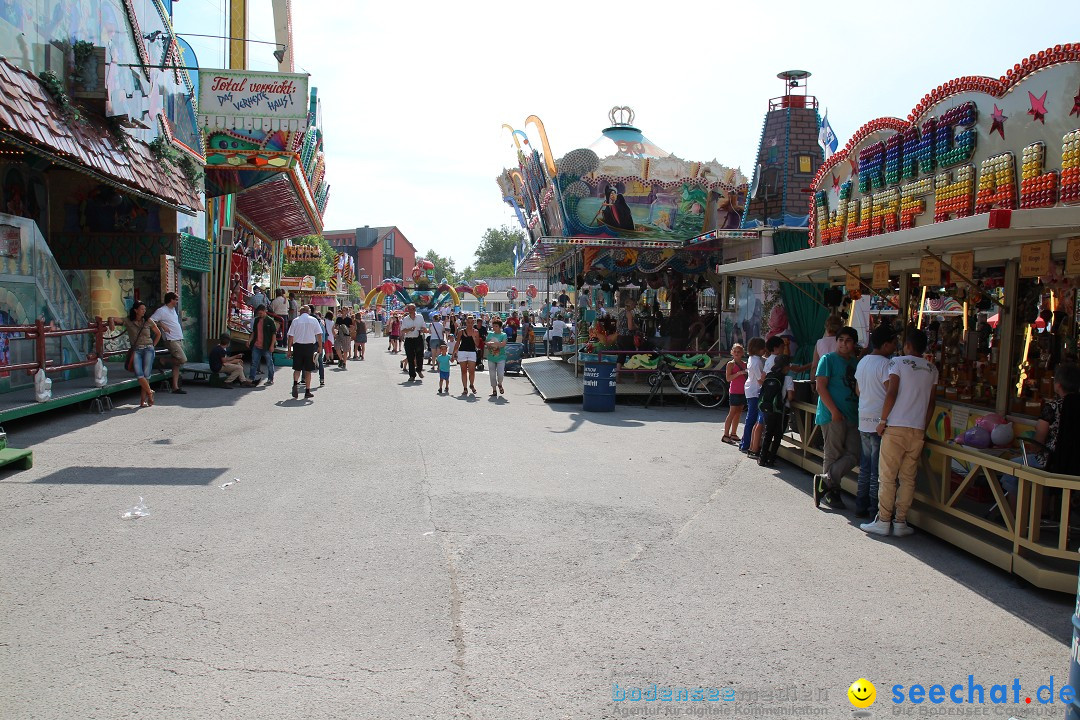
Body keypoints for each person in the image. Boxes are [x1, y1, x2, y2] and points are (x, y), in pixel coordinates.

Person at [861, 329, 939, 537]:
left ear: (908, 345)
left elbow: (892, 392)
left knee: (887, 476)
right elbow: (931, 403)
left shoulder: (897, 363)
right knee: (908, 478)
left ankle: (884, 520)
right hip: (917, 429)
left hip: (895, 426)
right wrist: (923, 425)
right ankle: (901, 521)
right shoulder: (932, 369)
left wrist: (883, 420)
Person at [813, 326, 861, 511]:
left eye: (848, 341)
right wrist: (833, 410)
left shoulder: (856, 363)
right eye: (840, 340)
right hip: (832, 414)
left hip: (852, 413)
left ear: (853, 344)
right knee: (832, 454)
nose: (843, 344)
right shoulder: (828, 359)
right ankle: (832, 494)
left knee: (854, 454)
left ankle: (825, 480)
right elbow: (820, 386)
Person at [853, 324, 898, 518]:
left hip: (863, 418)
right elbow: (891, 392)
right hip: (880, 421)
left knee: (865, 467)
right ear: (886, 344)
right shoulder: (886, 365)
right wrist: (884, 417)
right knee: (876, 471)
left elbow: (858, 390)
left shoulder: (862, 362)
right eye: (894, 343)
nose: (896, 346)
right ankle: (874, 510)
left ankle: (860, 506)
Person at [107, 300, 160, 408]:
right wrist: (111, 321)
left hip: (148, 348)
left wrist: (153, 346)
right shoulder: (128, 320)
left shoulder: (148, 320)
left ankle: (142, 401)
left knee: (146, 375)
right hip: (137, 349)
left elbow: (158, 333)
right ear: (136, 310)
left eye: (145, 309)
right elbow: (112, 318)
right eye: (141, 309)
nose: (144, 311)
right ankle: (150, 393)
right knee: (139, 375)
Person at [757, 355, 794, 467]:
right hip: (780, 409)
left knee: (768, 433)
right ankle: (771, 459)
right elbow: (791, 396)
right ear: (786, 367)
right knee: (778, 435)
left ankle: (762, 458)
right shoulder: (788, 379)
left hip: (768, 407)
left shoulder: (769, 376)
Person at [150, 291, 186, 394]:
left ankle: (175, 387)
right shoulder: (161, 311)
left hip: (178, 338)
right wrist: (162, 325)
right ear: (171, 300)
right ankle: (163, 360)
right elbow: (151, 320)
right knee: (182, 359)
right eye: (176, 299)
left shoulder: (173, 310)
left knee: (177, 364)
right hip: (171, 339)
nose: (177, 302)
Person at [287, 305, 322, 400]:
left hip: (297, 346)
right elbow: (319, 334)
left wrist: (289, 350)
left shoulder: (295, 321)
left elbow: (290, 336)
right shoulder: (313, 320)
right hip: (309, 347)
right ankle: (307, 391)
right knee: (308, 370)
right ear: (308, 311)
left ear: (301, 312)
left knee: (297, 368)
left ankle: (295, 383)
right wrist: (320, 346)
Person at [739, 337, 766, 453]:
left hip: (750, 389)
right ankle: (746, 443)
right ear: (759, 349)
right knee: (752, 417)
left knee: (750, 417)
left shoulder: (752, 358)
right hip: (755, 390)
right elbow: (760, 379)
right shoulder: (757, 361)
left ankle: (745, 442)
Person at [723, 343, 747, 445]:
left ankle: (733, 433)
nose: (736, 353)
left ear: (742, 353)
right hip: (734, 391)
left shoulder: (745, 364)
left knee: (739, 412)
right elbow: (728, 378)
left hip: (743, 391)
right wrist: (738, 373)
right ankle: (725, 435)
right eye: (735, 351)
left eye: (739, 351)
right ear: (732, 352)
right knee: (732, 412)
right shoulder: (730, 364)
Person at [248, 304, 277, 386]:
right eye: (258, 313)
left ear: (265, 311)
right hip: (257, 345)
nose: (259, 315)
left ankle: (270, 378)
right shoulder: (257, 320)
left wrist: (272, 345)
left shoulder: (270, 321)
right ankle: (251, 378)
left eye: (261, 313)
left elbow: (274, 334)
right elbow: (254, 332)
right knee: (254, 363)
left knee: (269, 363)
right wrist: (250, 340)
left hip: (266, 346)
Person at [453, 314, 481, 395]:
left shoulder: (476, 332)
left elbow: (477, 344)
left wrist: (473, 337)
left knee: (472, 371)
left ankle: (471, 384)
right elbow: (457, 343)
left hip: (472, 352)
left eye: (471, 322)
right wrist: (453, 353)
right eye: (468, 322)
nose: (470, 324)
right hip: (462, 352)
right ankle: (465, 388)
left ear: (473, 323)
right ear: (466, 322)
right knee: (464, 371)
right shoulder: (461, 331)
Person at [400, 303, 427, 381]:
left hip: (418, 338)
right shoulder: (405, 319)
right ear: (407, 310)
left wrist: (423, 329)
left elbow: (424, 327)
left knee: (420, 356)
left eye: (413, 309)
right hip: (409, 339)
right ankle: (412, 375)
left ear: (415, 309)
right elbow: (403, 330)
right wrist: (409, 329)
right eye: (410, 309)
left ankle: (419, 370)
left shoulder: (420, 317)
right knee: (410, 357)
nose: (411, 311)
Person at [486, 318, 508, 397]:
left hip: (501, 357)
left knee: (500, 374)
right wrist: (489, 344)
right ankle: (494, 390)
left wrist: (493, 343)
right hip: (491, 357)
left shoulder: (503, 335)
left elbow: (503, 344)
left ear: (499, 327)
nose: (494, 327)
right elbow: (487, 343)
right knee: (492, 374)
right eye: (493, 326)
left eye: (496, 326)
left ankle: (500, 384)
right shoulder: (490, 334)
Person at [616, 296, 636, 365]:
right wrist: (636, 327)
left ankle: (617, 374)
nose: (635, 306)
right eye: (634, 304)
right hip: (627, 337)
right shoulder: (629, 314)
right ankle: (635, 375)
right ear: (631, 305)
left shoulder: (620, 313)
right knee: (633, 357)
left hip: (619, 337)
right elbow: (630, 328)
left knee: (621, 356)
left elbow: (617, 326)